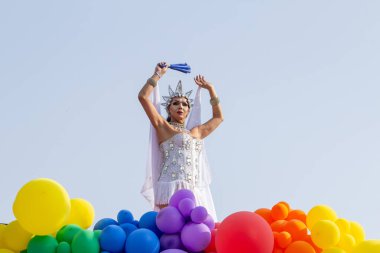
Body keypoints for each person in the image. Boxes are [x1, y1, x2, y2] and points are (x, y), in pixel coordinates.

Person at [138, 62, 223, 220]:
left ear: (189, 110)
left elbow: (218, 118)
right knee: (171, 227)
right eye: (175, 103)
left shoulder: (196, 132)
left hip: (194, 190)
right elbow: (143, 97)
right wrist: (157, 75)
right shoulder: (164, 128)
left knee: (197, 232)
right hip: (170, 187)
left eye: (185, 104)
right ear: (168, 108)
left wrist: (211, 89)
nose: (181, 107)